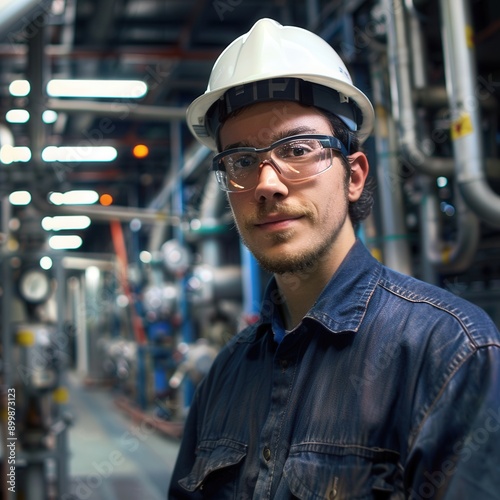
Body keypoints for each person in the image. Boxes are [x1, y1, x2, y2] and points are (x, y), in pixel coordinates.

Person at [168, 18, 500, 499]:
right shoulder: (226, 373)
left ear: (354, 175)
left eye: (297, 149)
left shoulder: (448, 354)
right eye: (240, 160)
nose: (267, 183)